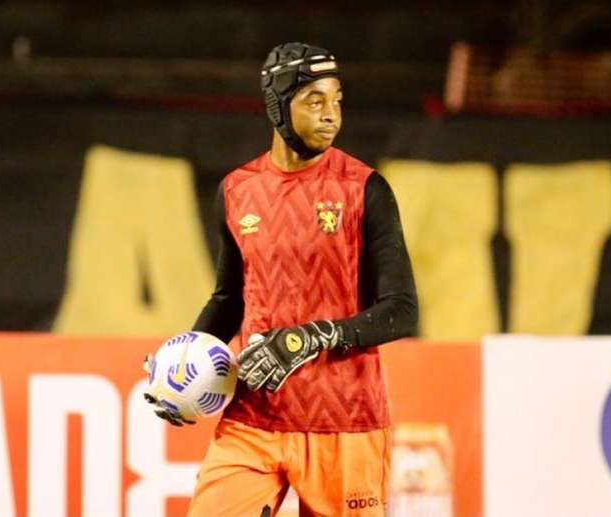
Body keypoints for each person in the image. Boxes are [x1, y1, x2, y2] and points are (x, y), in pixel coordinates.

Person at [147, 42, 418, 516]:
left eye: (336, 100)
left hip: (346, 424)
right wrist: (184, 365)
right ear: (277, 104)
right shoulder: (236, 190)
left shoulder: (365, 189)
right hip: (255, 418)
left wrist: (314, 337)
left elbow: (401, 310)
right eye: (315, 101)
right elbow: (230, 298)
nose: (331, 114)